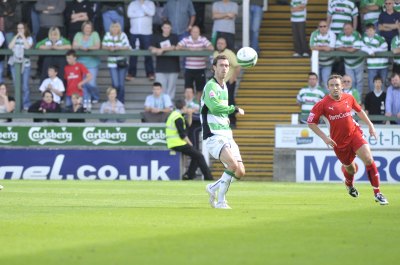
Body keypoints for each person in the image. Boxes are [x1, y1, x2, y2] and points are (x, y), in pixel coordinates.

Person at [307, 74, 388, 205]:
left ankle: (377, 193)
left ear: (342, 86)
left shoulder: (349, 98)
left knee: (368, 158)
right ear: (328, 87)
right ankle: (349, 184)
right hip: (338, 142)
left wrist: (370, 124)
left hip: (354, 134)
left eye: (337, 85)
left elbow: (359, 111)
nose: (335, 87)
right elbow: (311, 123)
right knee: (351, 169)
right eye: (332, 85)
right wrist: (325, 138)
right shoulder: (322, 104)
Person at [203, 54, 245, 209]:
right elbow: (214, 108)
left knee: (240, 172)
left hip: (227, 134)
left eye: (227, 66)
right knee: (232, 166)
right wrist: (233, 109)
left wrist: (226, 119)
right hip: (213, 135)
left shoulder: (224, 87)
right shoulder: (211, 86)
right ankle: (221, 201)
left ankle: (213, 188)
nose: (224, 68)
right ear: (214, 67)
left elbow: (220, 112)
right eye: (221, 65)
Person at [166, 98, 214, 180]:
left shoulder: (176, 115)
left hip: (175, 143)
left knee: (196, 156)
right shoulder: (177, 118)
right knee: (200, 156)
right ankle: (208, 177)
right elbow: (183, 135)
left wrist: (190, 114)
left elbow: (188, 125)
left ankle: (188, 176)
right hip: (177, 143)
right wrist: (190, 144)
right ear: (183, 107)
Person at [176, 25, 214, 101]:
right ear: (191, 32)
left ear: (199, 33)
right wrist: (189, 49)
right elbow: (177, 47)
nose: (195, 33)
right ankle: (189, 104)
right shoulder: (186, 39)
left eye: (197, 32)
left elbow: (211, 47)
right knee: (188, 88)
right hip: (189, 69)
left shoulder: (203, 39)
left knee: (200, 89)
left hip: (200, 69)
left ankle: (197, 106)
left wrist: (201, 49)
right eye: (193, 32)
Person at [213, 37, 241, 127]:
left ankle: (232, 121)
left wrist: (233, 79)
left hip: (228, 81)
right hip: (218, 82)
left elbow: (237, 66)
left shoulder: (229, 53)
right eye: (218, 43)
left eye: (222, 43)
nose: (220, 44)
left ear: (225, 45)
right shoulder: (215, 53)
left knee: (229, 101)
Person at [149, 20, 180, 99]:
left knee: (171, 90)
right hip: (160, 68)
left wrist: (162, 50)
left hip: (173, 67)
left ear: (171, 28)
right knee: (160, 89)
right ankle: (162, 108)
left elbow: (174, 47)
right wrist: (156, 49)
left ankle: (169, 107)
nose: (166, 29)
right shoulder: (157, 36)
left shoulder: (174, 36)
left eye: (168, 28)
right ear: (162, 28)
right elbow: (151, 47)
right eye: (165, 27)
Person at [102, 22, 131, 103]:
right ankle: (114, 100)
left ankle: (121, 101)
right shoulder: (107, 35)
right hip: (112, 63)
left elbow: (127, 46)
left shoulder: (123, 35)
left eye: (117, 27)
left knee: (121, 84)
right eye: (113, 27)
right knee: (115, 84)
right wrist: (109, 48)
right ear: (111, 28)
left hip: (122, 61)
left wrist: (119, 47)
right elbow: (103, 46)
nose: (115, 29)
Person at [72, 21, 101, 104]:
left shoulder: (95, 34)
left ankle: (95, 96)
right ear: (83, 28)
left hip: (92, 63)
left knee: (91, 83)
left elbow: (97, 46)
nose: (87, 29)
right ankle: (86, 101)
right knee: (83, 84)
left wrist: (88, 48)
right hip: (80, 64)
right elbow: (74, 46)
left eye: (89, 27)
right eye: (86, 27)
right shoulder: (78, 34)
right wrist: (81, 47)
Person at [126, 0, 155, 81]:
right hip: (134, 32)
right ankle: (131, 73)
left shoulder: (150, 3)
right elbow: (129, 14)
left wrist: (142, 5)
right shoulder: (132, 3)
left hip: (147, 33)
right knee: (133, 53)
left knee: (148, 54)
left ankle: (150, 73)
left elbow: (151, 13)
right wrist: (143, 14)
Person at [8, 22, 33, 110]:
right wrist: (16, 36)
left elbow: (27, 47)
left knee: (25, 86)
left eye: (22, 28)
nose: (20, 30)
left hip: (25, 64)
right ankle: (18, 105)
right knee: (16, 85)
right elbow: (10, 46)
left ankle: (26, 104)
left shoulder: (29, 38)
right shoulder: (13, 37)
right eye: (18, 28)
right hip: (15, 64)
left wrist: (22, 36)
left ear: (25, 29)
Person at [335, 23, 365, 97]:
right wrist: (348, 49)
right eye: (345, 29)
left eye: (348, 28)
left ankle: (358, 99)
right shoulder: (341, 35)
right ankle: (351, 98)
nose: (347, 30)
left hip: (358, 62)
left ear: (352, 29)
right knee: (351, 81)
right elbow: (337, 47)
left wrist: (344, 48)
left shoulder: (356, 34)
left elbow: (354, 49)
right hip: (348, 63)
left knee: (359, 81)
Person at [309, 20, 336, 91]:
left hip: (327, 63)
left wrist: (318, 47)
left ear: (328, 27)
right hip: (316, 62)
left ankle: (326, 100)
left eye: (324, 26)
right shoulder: (314, 33)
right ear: (318, 27)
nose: (323, 28)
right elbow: (312, 47)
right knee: (316, 82)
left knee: (326, 82)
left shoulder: (332, 34)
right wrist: (324, 47)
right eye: (321, 26)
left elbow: (331, 48)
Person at [362, 23, 389, 92]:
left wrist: (374, 50)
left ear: (375, 30)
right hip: (372, 66)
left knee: (382, 84)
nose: (369, 32)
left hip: (383, 64)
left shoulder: (379, 38)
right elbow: (360, 46)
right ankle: (372, 101)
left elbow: (385, 47)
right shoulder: (364, 39)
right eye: (367, 30)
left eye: (371, 30)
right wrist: (369, 51)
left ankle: (382, 101)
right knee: (371, 84)